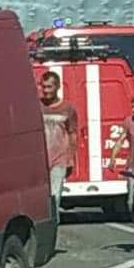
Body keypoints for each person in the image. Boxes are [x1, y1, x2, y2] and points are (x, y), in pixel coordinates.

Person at [108, 94, 134, 244]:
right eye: (132, 107)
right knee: (131, 204)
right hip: (132, 167)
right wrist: (113, 157)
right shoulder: (129, 121)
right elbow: (121, 140)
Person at [39, 72, 78, 221]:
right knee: (41, 198)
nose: (46, 91)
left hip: (59, 160)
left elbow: (72, 133)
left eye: (49, 87)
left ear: (58, 87)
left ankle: (53, 225)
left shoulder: (68, 108)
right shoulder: (37, 106)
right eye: (44, 87)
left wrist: (71, 159)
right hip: (40, 160)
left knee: (55, 197)